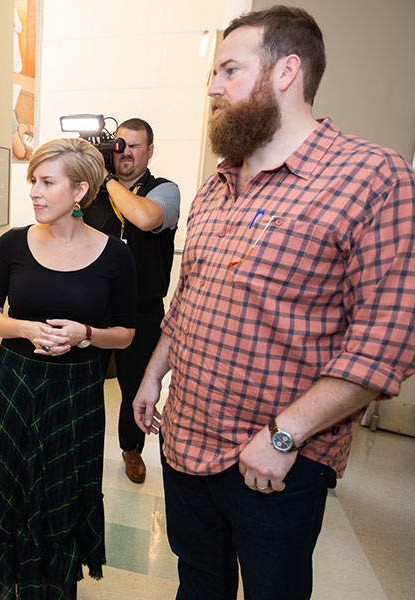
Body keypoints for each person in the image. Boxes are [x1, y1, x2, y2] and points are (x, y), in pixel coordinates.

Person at [132, 7, 415, 599]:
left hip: (274, 461)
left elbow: (387, 342)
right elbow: (189, 298)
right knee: (199, 582)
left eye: (230, 70)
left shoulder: (374, 177)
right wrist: (153, 376)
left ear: (287, 71)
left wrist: (284, 437)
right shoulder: (215, 188)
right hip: (185, 439)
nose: (212, 88)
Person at [0, 138, 137, 599]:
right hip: (15, 386)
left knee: (62, 489)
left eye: (46, 182)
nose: (34, 193)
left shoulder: (115, 254)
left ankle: (55, 584)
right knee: (12, 485)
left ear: (80, 190)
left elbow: (125, 333)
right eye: (33, 182)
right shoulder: (11, 245)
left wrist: (86, 334)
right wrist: (23, 328)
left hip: (77, 391)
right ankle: (12, 585)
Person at [82, 118, 180, 483]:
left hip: (142, 312)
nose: (124, 152)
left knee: (136, 387)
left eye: (134, 145)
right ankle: (83, 449)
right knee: (84, 385)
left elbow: (144, 218)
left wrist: (107, 180)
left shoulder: (164, 190)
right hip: (94, 311)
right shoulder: (91, 191)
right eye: (119, 144)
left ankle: (132, 449)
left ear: (149, 151)